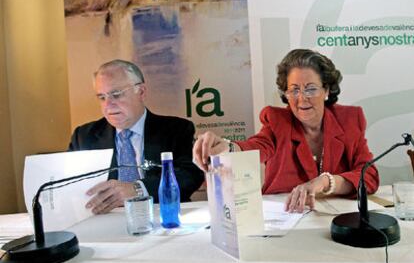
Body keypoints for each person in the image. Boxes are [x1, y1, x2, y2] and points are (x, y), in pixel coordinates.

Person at [193, 49, 379, 213]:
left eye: (311, 89)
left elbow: (369, 176)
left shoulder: (349, 119)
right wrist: (226, 147)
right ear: (285, 94)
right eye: (294, 90)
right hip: (286, 218)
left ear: (327, 90)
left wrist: (324, 182)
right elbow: (255, 146)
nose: (302, 98)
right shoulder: (277, 121)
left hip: (337, 219)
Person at [68, 59, 204, 214]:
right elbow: (67, 186)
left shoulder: (176, 129)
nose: (108, 105)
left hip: (162, 216)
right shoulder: (85, 136)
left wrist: (138, 189)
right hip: (106, 221)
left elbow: (190, 175)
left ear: (141, 91)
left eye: (116, 94)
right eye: (102, 97)